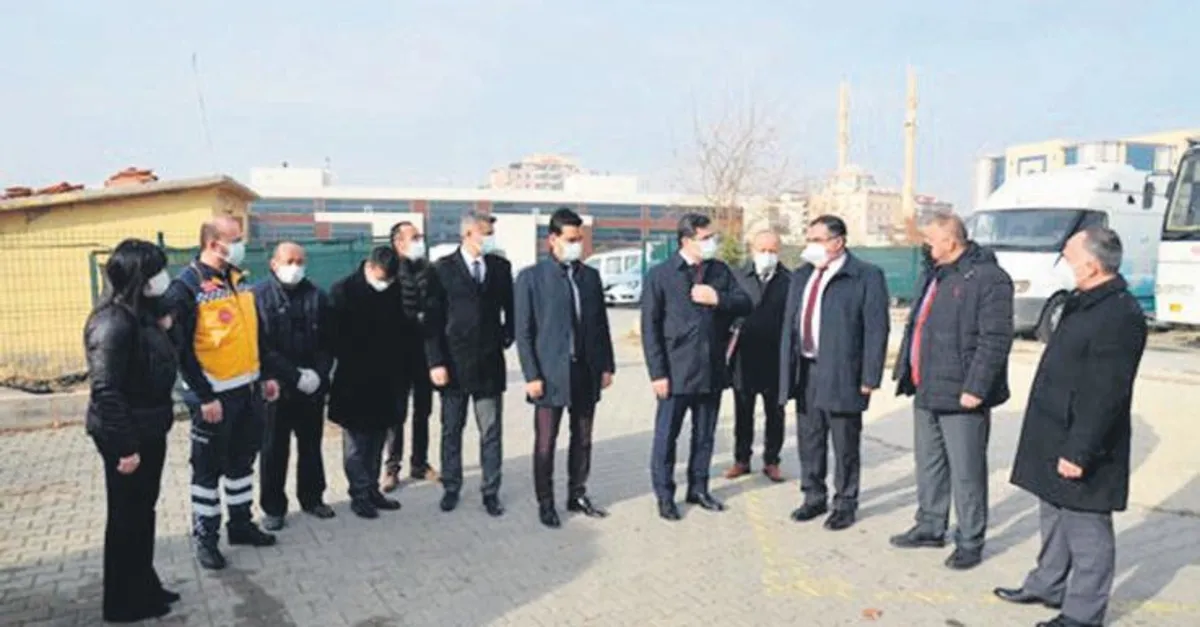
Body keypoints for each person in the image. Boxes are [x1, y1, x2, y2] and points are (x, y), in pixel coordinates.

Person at [996, 227, 1147, 627]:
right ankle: (1047, 584)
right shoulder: (1082, 301)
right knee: (1054, 513)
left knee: (1087, 526)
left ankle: (1083, 613)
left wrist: (1080, 450)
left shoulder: (1119, 314)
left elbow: (1106, 393)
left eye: (1069, 255)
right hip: (1054, 429)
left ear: (1092, 265)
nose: (1063, 260)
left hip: (1084, 439)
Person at [889, 211, 1014, 570]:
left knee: (966, 471)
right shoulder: (935, 274)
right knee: (929, 463)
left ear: (951, 241)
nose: (925, 245)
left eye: (930, 239)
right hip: (926, 385)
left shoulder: (987, 278)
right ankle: (930, 525)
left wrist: (976, 387)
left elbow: (995, 339)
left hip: (962, 393)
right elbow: (918, 325)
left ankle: (970, 539)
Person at [164, 216, 279, 571]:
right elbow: (180, 350)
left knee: (242, 463)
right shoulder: (186, 287)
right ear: (214, 244)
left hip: (248, 391)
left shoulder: (237, 279)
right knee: (207, 470)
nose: (242, 244)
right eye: (236, 239)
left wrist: (266, 375)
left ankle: (241, 524)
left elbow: (255, 334)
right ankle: (206, 538)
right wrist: (203, 396)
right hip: (214, 398)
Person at [84, 239, 180, 623]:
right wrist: (125, 447)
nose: (163, 278)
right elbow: (106, 390)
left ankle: (145, 585)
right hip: (127, 435)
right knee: (126, 518)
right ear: (140, 276)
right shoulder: (112, 322)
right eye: (156, 270)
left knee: (142, 513)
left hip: (150, 426)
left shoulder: (142, 315)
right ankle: (123, 603)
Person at [777, 215, 890, 531]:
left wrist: (869, 376)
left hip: (843, 371)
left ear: (837, 242)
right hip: (806, 369)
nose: (810, 246)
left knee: (844, 443)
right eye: (809, 239)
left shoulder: (865, 276)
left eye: (817, 240)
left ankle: (845, 503)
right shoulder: (802, 276)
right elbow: (790, 325)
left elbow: (876, 329)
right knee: (809, 439)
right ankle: (813, 496)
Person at [642, 213, 753, 521]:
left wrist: (718, 298)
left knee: (704, 435)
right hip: (676, 371)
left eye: (712, 237)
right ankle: (665, 495)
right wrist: (658, 373)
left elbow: (745, 303)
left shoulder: (719, 271)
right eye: (705, 238)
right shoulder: (662, 275)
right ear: (686, 240)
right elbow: (650, 328)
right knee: (667, 437)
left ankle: (699, 488)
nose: (711, 243)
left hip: (711, 369)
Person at [515, 208, 616, 528]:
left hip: (585, 371)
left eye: (580, 239)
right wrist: (532, 375)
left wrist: (607, 365)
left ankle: (577, 493)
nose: (577, 245)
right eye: (571, 239)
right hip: (549, 375)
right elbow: (523, 332)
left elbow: (600, 325)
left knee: (583, 438)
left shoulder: (589, 278)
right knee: (546, 442)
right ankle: (545, 502)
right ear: (553, 240)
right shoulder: (531, 278)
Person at [425, 211, 514, 516]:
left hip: (489, 364)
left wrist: (507, 335)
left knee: (491, 431)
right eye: (485, 233)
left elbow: (510, 307)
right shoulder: (442, 270)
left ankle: (491, 490)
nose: (490, 239)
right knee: (452, 429)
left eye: (491, 233)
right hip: (453, 365)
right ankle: (451, 486)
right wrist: (435, 361)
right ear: (467, 235)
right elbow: (432, 320)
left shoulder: (500, 267)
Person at [254, 242, 336, 531]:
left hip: (311, 387)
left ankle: (312, 498)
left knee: (311, 445)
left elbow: (328, 340)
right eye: (289, 261)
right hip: (277, 387)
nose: (295, 267)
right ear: (274, 264)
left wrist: (318, 374)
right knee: (274, 449)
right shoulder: (257, 297)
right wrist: (292, 375)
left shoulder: (317, 296)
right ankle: (273, 508)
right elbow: (260, 346)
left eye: (300, 261)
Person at [327, 246, 407, 519]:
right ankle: (359, 493)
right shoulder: (344, 291)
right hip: (354, 380)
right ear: (370, 268)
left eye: (391, 279)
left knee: (377, 438)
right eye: (383, 278)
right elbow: (333, 338)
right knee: (356, 442)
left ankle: (372, 489)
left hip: (386, 380)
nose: (387, 283)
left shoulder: (394, 289)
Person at [725, 229, 791, 482]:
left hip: (776, 358)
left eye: (772, 251)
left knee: (775, 413)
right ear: (752, 250)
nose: (767, 255)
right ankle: (741, 459)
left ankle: (772, 461)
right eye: (762, 250)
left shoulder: (789, 280)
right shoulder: (737, 277)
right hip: (745, 357)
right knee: (743, 412)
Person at [382, 220, 439, 492]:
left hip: (425, 350)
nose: (419, 241)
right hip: (397, 352)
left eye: (420, 237)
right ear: (398, 242)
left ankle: (420, 462)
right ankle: (392, 467)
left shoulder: (429, 269)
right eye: (414, 237)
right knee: (396, 412)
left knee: (423, 410)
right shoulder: (388, 271)